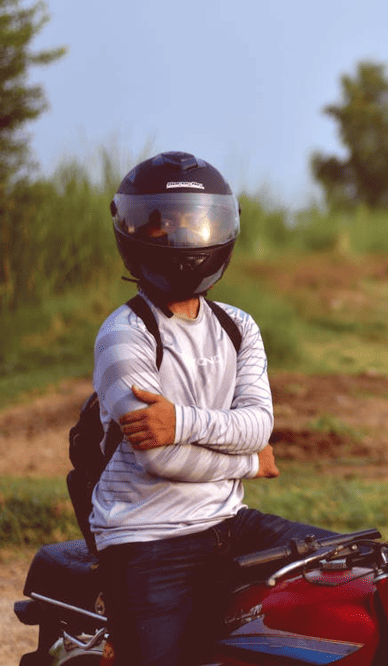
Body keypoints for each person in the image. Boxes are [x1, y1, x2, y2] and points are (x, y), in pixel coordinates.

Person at [90, 151, 334, 665]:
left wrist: (180, 422)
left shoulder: (238, 326)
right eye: (163, 222)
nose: (182, 235)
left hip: (228, 521)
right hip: (145, 535)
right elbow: (160, 460)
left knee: (351, 570)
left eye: (194, 220)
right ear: (134, 229)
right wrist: (250, 461)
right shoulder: (123, 335)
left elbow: (259, 424)